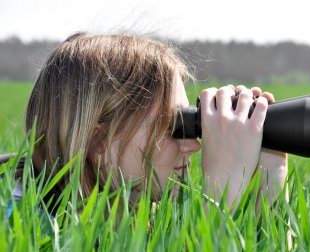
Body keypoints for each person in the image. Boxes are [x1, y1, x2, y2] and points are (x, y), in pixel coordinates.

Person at [4, 32, 287, 213]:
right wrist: (220, 198)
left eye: (189, 123)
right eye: (170, 126)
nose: (192, 146)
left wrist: (270, 182)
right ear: (98, 141)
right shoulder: (21, 223)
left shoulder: (139, 217)